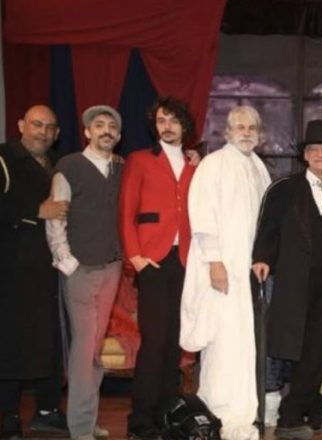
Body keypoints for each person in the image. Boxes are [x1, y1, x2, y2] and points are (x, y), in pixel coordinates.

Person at [251, 119, 322, 440]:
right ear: (305, 155)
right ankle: (293, 414)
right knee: (294, 345)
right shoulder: (283, 189)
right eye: (314, 149)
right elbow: (268, 227)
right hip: (293, 280)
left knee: (319, 346)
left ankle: (305, 406)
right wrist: (262, 258)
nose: (320, 154)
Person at [180, 105, 272, 440]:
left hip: (248, 272)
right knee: (223, 343)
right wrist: (215, 261)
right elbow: (202, 215)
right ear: (228, 132)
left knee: (245, 343)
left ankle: (244, 412)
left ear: (259, 134)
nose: (246, 132)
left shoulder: (258, 167)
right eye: (240, 127)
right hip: (222, 269)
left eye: (252, 127)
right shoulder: (214, 164)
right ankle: (219, 413)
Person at [119, 97, 198, 440]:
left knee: (175, 343)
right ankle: (140, 421)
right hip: (152, 259)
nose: (167, 126)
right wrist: (135, 257)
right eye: (162, 120)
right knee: (153, 342)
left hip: (186, 261)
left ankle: (166, 415)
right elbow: (125, 211)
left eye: (174, 120)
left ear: (185, 126)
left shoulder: (196, 163)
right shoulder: (139, 160)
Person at [46, 105, 125, 440]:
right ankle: (80, 428)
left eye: (112, 126)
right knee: (84, 347)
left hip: (112, 266)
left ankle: (87, 420)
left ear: (118, 135)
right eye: (99, 125)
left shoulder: (121, 168)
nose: (106, 130)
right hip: (80, 269)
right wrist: (67, 261)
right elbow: (55, 216)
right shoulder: (70, 167)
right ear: (87, 132)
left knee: (93, 346)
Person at [0, 105, 69, 438]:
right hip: (12, 271)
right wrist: (35, 211)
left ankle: (47, 410)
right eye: (36, 124)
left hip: (51, 270)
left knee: (51, 342)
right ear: (21, 125)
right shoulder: (4, 158)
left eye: (50, 127)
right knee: (12, 343)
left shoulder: (59, 164)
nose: (43, 132)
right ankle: (8, 417)